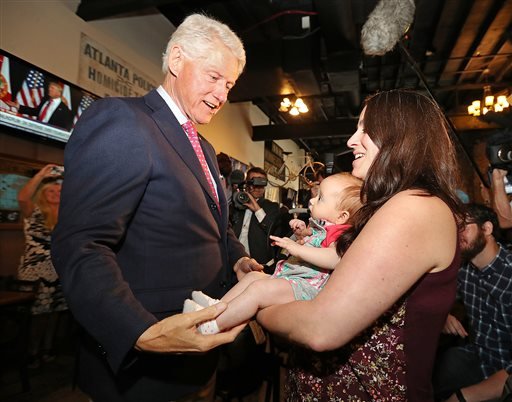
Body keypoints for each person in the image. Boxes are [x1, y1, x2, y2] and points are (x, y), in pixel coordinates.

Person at [51, 14, 262, 402]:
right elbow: (81, 244)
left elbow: (216, 225)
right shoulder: (123, 121)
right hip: (144, 368)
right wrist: (140, 333)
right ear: (177, 60)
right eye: (214, 77)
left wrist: (237, 258)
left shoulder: (206, 148)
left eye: (229, 84)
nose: (222, 94)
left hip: (197, 358)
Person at [256, 89, 465, 401]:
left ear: (401, 134)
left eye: (365, 129)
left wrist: (259, 305)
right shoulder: (397, 206)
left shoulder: (417, 206)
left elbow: (321, 328)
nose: (352, 140)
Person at [184, 172, 363, 334]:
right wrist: (302, 232)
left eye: (320, 198)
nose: (312, 200)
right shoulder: (319, 228)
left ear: (341, 216)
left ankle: (213, 325)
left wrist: (298, 248)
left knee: (259, 289)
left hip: (306, 288)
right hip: (291, 278)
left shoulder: (341, 234)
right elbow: (314, 240)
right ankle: (215, 309)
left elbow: (334, 258)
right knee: (253, 277)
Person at [433, 203, 512, 402]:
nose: (456, 234)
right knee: (443, 365)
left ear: (487, 229)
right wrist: (444, 315)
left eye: (463, 227)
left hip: (506, 374)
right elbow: (435, 296)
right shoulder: (464, 270)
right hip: (479, 357)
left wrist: (463, 397)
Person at [17, 164, 67, 368]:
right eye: (51, 191)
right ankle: (32, 353)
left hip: (60, 271)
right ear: (43, 194)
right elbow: (22, 198)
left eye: (59, 191)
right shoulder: (34, 212)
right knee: (38, 315)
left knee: (55, 312)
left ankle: (48, 349)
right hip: (36, 273)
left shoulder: (67, 216)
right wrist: (41, 175)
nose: (55, 194)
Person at [230, 167, 281, 265]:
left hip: (259, 263)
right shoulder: (237, 204)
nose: (257, 187)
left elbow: (273, 232)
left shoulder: (272, 207)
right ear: (247, 183)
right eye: (254, 181)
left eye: (261, 183)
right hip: (235, 260)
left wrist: (257, 209)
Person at [7, 81, 73, 130]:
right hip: (36, 130)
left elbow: (63, 127)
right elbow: (36, 112)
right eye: (49, 87)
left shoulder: (64, 109)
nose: (49, 89)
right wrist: (17, 106)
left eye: (52, 88)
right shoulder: (45, 100)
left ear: (59, 93)